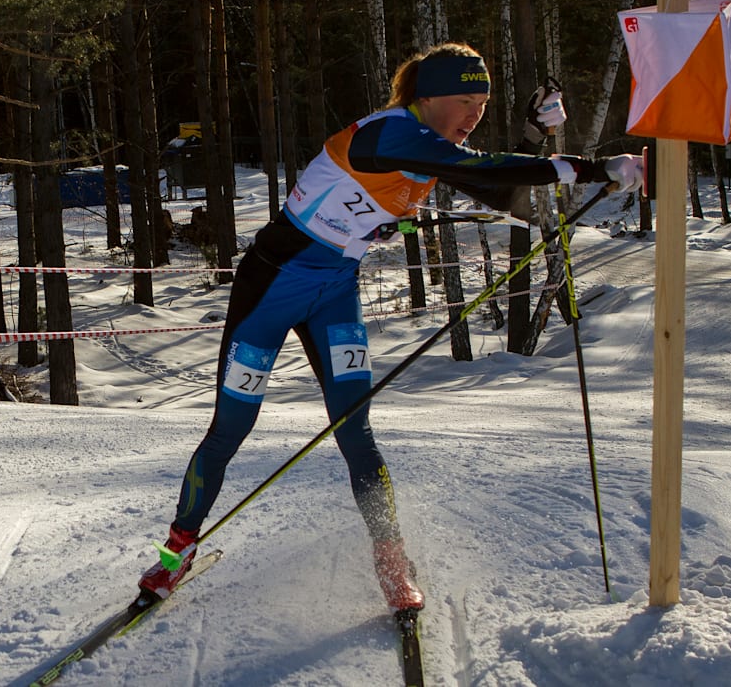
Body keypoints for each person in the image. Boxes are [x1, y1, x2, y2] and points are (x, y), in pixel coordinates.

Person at [138, 42, 643, 613]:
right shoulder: (388, 134)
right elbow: (478, 167)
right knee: (231, 428)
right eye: (465, 101)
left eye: (483, 103)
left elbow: (505, 193)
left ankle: (391, 559)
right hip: (271, 289)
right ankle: (175, 554)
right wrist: (591, 167)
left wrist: (535, 138)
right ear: (428, 98)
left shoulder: (431, 148)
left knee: (355, 430)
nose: (475, 114)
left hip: (334, 292)